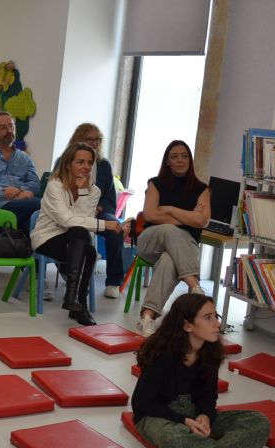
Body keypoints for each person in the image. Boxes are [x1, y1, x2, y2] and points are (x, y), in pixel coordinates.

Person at [131, 294, 274, 448]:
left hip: (193, 416)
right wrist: (183, 420)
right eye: (208, 318)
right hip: (158, 416)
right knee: (172, 439)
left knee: (259, 421)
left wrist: (205, 415)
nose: (216, 323)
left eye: (216, 316)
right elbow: (142, 403)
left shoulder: (209, 352)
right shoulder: (162, 355)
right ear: (187, 325)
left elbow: (208, 396)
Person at [32, 143, 125, 326]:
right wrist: (106, 224)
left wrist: (83, 192)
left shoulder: (94, 191)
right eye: (80, 162)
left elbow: (83, 221)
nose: (86, 167)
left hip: (75, 239)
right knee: (84, 242)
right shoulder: (55, 186)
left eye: (90, 163)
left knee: (87, 248)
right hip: (47, 237)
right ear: (68, 164)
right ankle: (78, 304)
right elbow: (67, 220)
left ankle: (74, 301)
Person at [136, 141, 211, 336]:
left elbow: (202, 220)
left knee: (169, 261)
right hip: (152, 241)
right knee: (169, 230)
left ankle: (147, 317)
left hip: (182, 248)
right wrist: (187, 218)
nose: (180, 160)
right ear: (167, 161)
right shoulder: (155, 183)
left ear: (190, 160)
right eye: (174, 156)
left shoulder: (202, 189)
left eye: (184, 156)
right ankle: (194, 285)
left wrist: (169, 209)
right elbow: (151, 215)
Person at [63, 123, 125, 299]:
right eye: (89, 139)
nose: (94, 143)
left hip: (99, 210)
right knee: (74, 231)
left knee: (115, 230)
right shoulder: (65, 162)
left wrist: (98, 209)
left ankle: (113, 281)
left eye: (97, 139)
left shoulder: (104, 165)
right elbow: (60, 190)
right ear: (78, 140)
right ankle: (70, 273)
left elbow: (110, 197)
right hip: (72, 210)